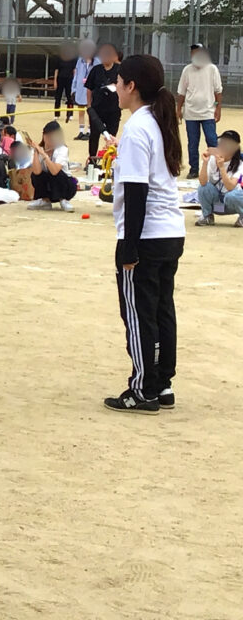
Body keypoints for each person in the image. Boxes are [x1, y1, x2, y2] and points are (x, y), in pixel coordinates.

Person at [103, 54, 185, 414]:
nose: (116, 89)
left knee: (139, 313)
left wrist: (128, 247)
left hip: (148, 236)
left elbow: (136, 192)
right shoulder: (157, 120)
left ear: (131, 87)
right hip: (171, 233)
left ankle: (143, 388)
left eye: (119, 82)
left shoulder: (137, 127)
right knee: (162, 309)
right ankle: (162, 383)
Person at [176, 43, 223, 179]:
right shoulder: (187, 70)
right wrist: (178, 109)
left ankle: (215, 168)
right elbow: (181, 92)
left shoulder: (212, 69)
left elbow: (218, 91)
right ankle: (194, 169)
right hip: (190, 113)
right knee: (192, 142)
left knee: (212, 139)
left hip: (208, 112)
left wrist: (217, 108)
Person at [195, 130, 243, 227]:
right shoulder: (212, 159)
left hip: (231, 204)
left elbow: (230, 187)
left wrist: (221, 167)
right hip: (217, 204)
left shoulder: (240, 165)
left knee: (233, 195)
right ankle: (207, 216)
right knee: (203, 188)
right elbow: (203, 182)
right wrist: (205, 163)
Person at [26, 121, 77, 212]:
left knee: (56, 173)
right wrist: (36, 152)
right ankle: (45, 200)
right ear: (44, 136)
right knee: (35, 175)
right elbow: (36, 172)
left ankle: (64, 200)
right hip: (49, 187)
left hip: (65, 185)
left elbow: (55, 171)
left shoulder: (62, 149)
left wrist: (44, 155)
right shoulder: (39, 149)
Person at [85, 42, 122, 160]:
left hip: (113, 109)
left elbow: (124, 86)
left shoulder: (119, 70)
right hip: (97, 109)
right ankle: (92, 159)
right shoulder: (96, 70)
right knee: (94, 135)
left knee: (111, 136)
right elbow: (89, 88)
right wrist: (89, 105)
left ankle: (109, 159)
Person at [72, 39, 100, 140]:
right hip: (80, 89)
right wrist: (73, 88)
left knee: (90, 111)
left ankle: (89, 131)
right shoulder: (80, 60)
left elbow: (99, 75)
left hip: (91, 90)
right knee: (80, 111)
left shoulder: (96, 61)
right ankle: (81, 131)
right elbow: (76, 75)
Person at [53, 41, 77, 120]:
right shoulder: (59, 58)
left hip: (69, 79)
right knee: (58, 97)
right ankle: (57, 114)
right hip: (60, 78)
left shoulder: (73, 59)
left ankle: (70, 114)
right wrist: (55, 81)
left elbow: (74, 71)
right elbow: (56, 70)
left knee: (69, 97)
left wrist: (75, 82)